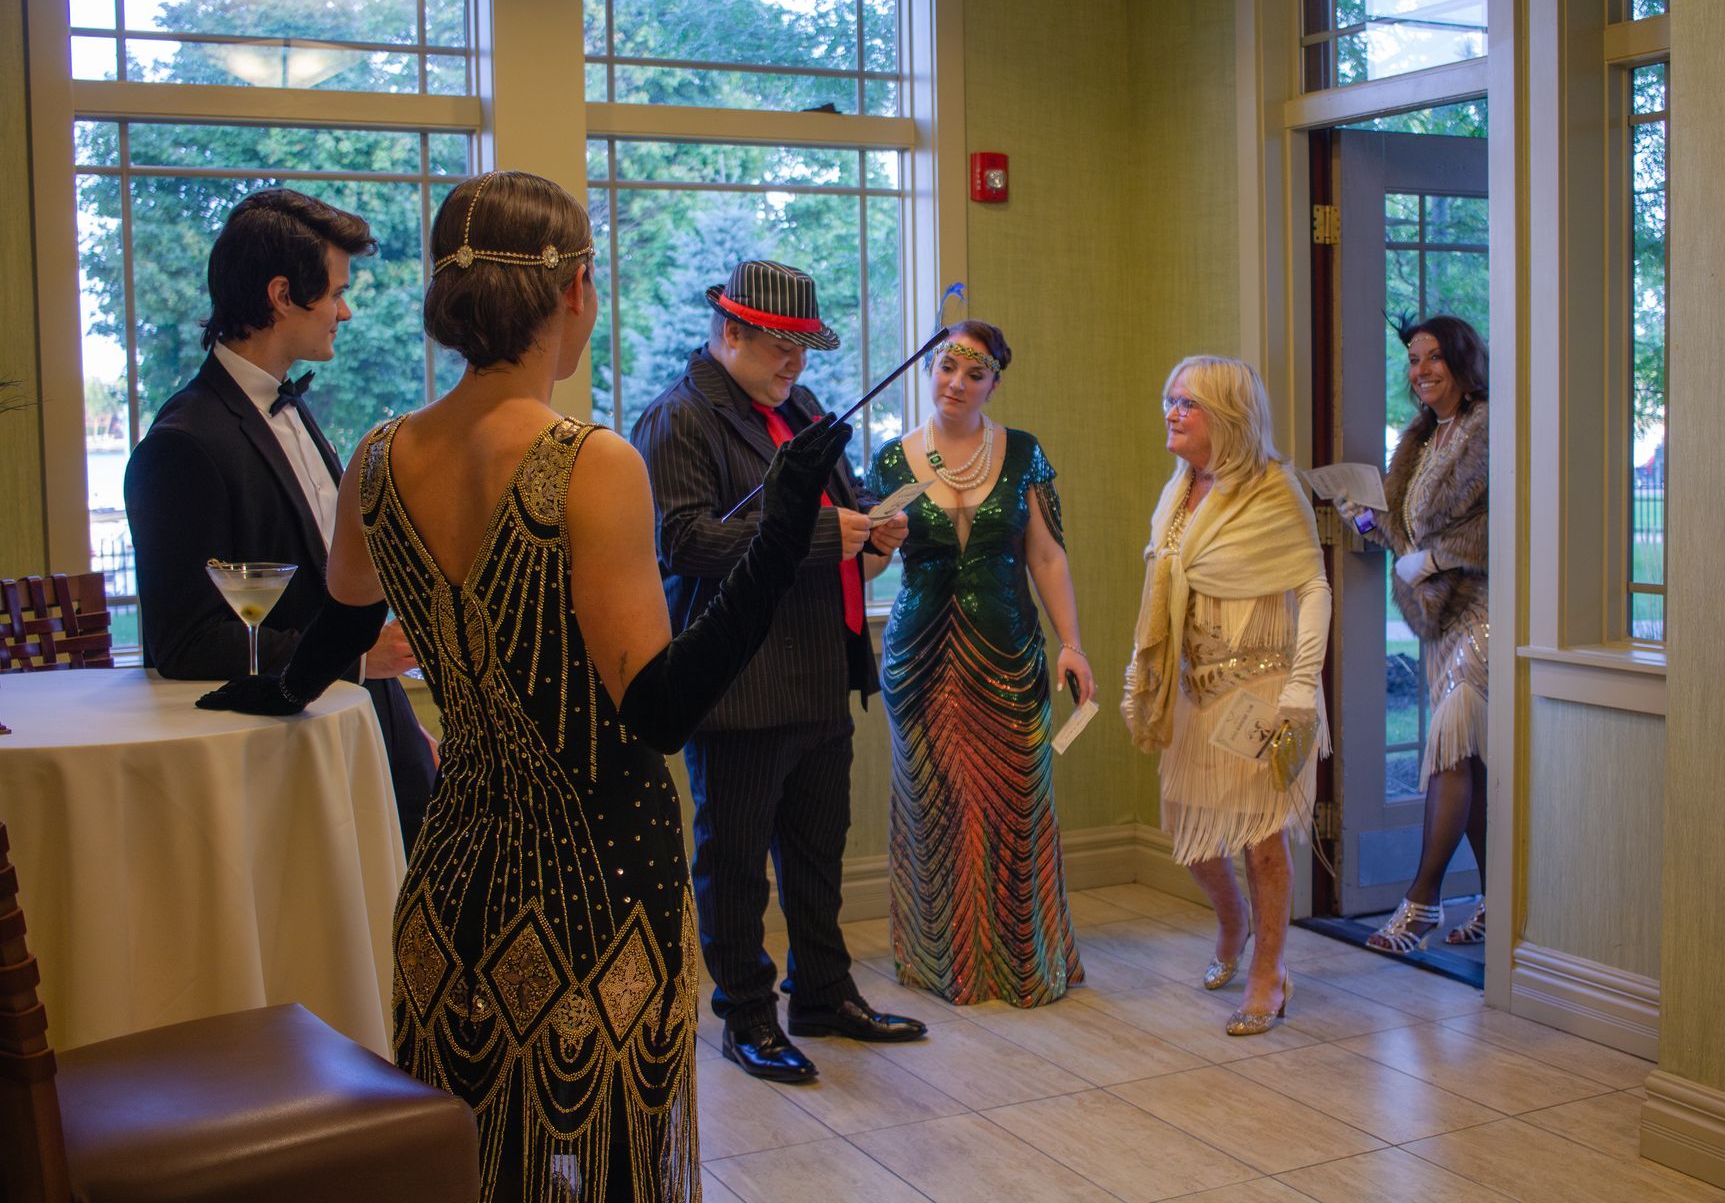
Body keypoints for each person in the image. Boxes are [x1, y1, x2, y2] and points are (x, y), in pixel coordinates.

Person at [201, 170, 854, 1202]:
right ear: (577, 288)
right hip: (597, 882)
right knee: (612, 1171)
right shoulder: (586, 461)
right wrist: (782, 527)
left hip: (454, 878)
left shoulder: (377, 457)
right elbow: (659, 708)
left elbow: (332, 633)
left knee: (479, 1169)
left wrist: (263, 696)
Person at [630, 260, 926, 1085]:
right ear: (729, 333)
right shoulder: (678, 419)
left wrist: (873, 528)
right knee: (735, 863)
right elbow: (684, 545)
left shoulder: (798, 409)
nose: (796, 363)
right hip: (739, 680)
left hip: (819, 668)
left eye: (805, 347)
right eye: (780, 346)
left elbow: (839, 506)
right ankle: (746, 1016)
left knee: (817, 851)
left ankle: (824, 995)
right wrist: (833, 532)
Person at [125, 187, 436, 850]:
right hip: (287, 772)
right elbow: (184, 645)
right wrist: (353, 659)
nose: (345, 311)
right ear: (280, 296)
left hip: (363, 737)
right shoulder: (183, 444)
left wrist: (402, 731)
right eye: (334, 293)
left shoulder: (292, 408)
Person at [863, 322, 1093, 1008]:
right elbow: (873, 561)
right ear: (930, 370)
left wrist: (1072, 642)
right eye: (945, 367)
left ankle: (1025, 960)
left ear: (995, 382)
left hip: (1008, 647)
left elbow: (1046, 555)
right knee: (938, 803)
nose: (955, 383)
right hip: (923, 656)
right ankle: (947, 963)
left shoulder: (1021, 453)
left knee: (1021, 798)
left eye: (974, 372)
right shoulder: (895, 462)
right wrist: (871, 536)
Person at [1121, 356, 1330, 1036]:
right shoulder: (1177, 489)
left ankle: (1268, 973)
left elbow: (1314, 585)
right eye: (1168, 399)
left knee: (1263, 843)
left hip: (1263, 687)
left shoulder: (1273, 489)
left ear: (1229, 418)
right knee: (1188, 831)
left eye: (1187, 403)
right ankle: (1233, 918)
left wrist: (1303, 686)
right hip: (1194, 688)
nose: (1171, 413)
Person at [1335, 314, 1490, 953]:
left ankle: (1421, 903)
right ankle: (1497, 897)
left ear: (1459, 361)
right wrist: (1372, 526)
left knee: (1450, 748)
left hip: (1486, 609)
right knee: (1472, 760)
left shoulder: (1491, 426)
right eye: (1412, 359)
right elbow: (1411, 539)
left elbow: (1510, 519)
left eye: (1432, 358)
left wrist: (1437, 558)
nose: (1420, 370)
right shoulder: (1421, 439)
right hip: (1438, 621)